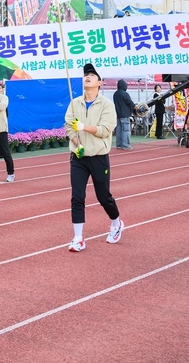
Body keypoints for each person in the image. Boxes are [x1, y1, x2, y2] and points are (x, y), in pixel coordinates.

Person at [64, 63, 123, 250]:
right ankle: (78, 238)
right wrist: (77, 143)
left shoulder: (107, 105)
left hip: (98, 157)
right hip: (78, 157)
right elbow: (68, 127)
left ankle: (116, 223)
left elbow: (105, 130)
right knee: (77, 196)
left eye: (92, 75)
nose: (87, 77)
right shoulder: (75, 103)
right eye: (86, 75)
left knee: (103, 196)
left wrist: (83, 127)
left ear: (99, 82)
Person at [112, 78, 135, 150]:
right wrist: (134, 106)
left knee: (119, 130)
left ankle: (119, 144)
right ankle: (126, 145)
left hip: (118, 114)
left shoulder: (115, 94)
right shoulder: (125, 94)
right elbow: (129, 102)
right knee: (126, 130)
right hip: (125, 114)